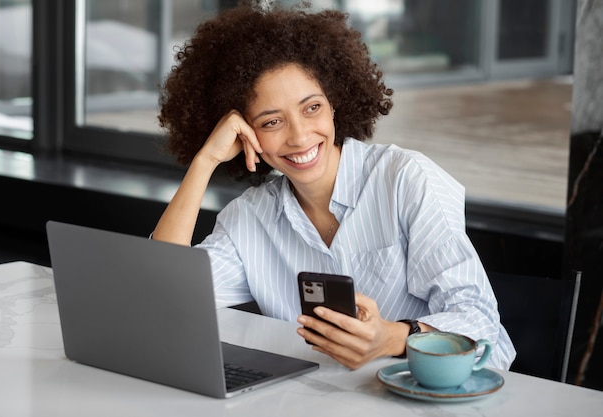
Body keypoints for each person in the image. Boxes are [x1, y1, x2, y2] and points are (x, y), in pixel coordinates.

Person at [152, 0, 516, 370]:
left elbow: (481, 322)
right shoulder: (250, 218)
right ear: (247, 135)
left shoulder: (406, 179)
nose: (300, 137)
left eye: (312, 108)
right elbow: (164, 297)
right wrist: (204, 161)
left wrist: (390, 338)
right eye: (271, 122)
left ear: (334, 104)